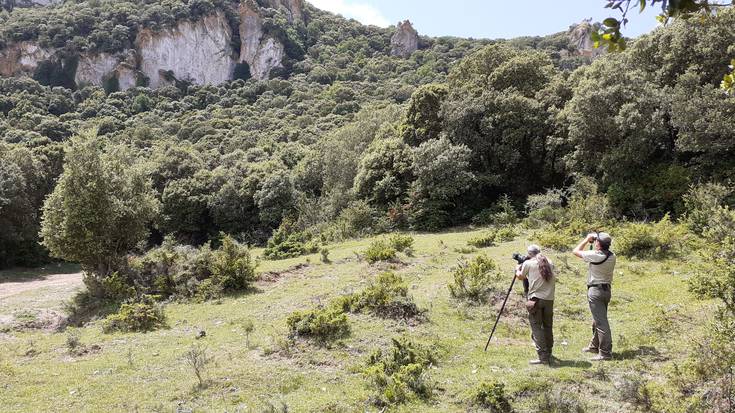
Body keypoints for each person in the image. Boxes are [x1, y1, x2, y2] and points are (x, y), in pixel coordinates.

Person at [573, 232, 616, 361]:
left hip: (595, 291)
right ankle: (594, 346)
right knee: (597, 320)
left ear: (598, 244)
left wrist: (586, 239)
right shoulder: (612, 256)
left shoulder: (596, 256)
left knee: (601, 323)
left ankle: (605, 353)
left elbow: (575, 251)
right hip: (606, 291)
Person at [516, 244, 556, 365]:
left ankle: (543, 357)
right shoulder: (549, 261)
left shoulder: (529, 263)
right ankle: (549, 351)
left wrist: (517, 268)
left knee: (537, 327)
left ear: (529, 254)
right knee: (548, 326)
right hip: (549, 299)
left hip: (535, 300)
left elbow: (520, 277)